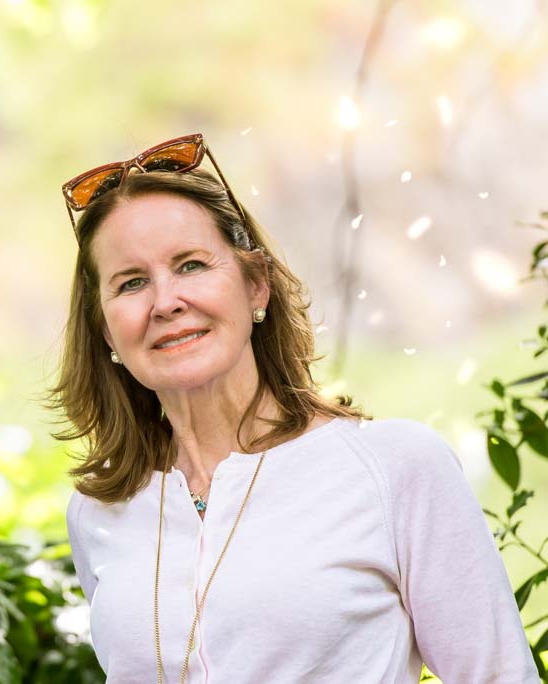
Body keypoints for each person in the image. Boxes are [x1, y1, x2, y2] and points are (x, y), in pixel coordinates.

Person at [49, 133, 539, 683]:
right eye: (132, 282)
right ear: (105, 328)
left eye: (190, 265)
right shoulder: (98, 513)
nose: (166, 302)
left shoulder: (394, 467)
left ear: (255, 286)